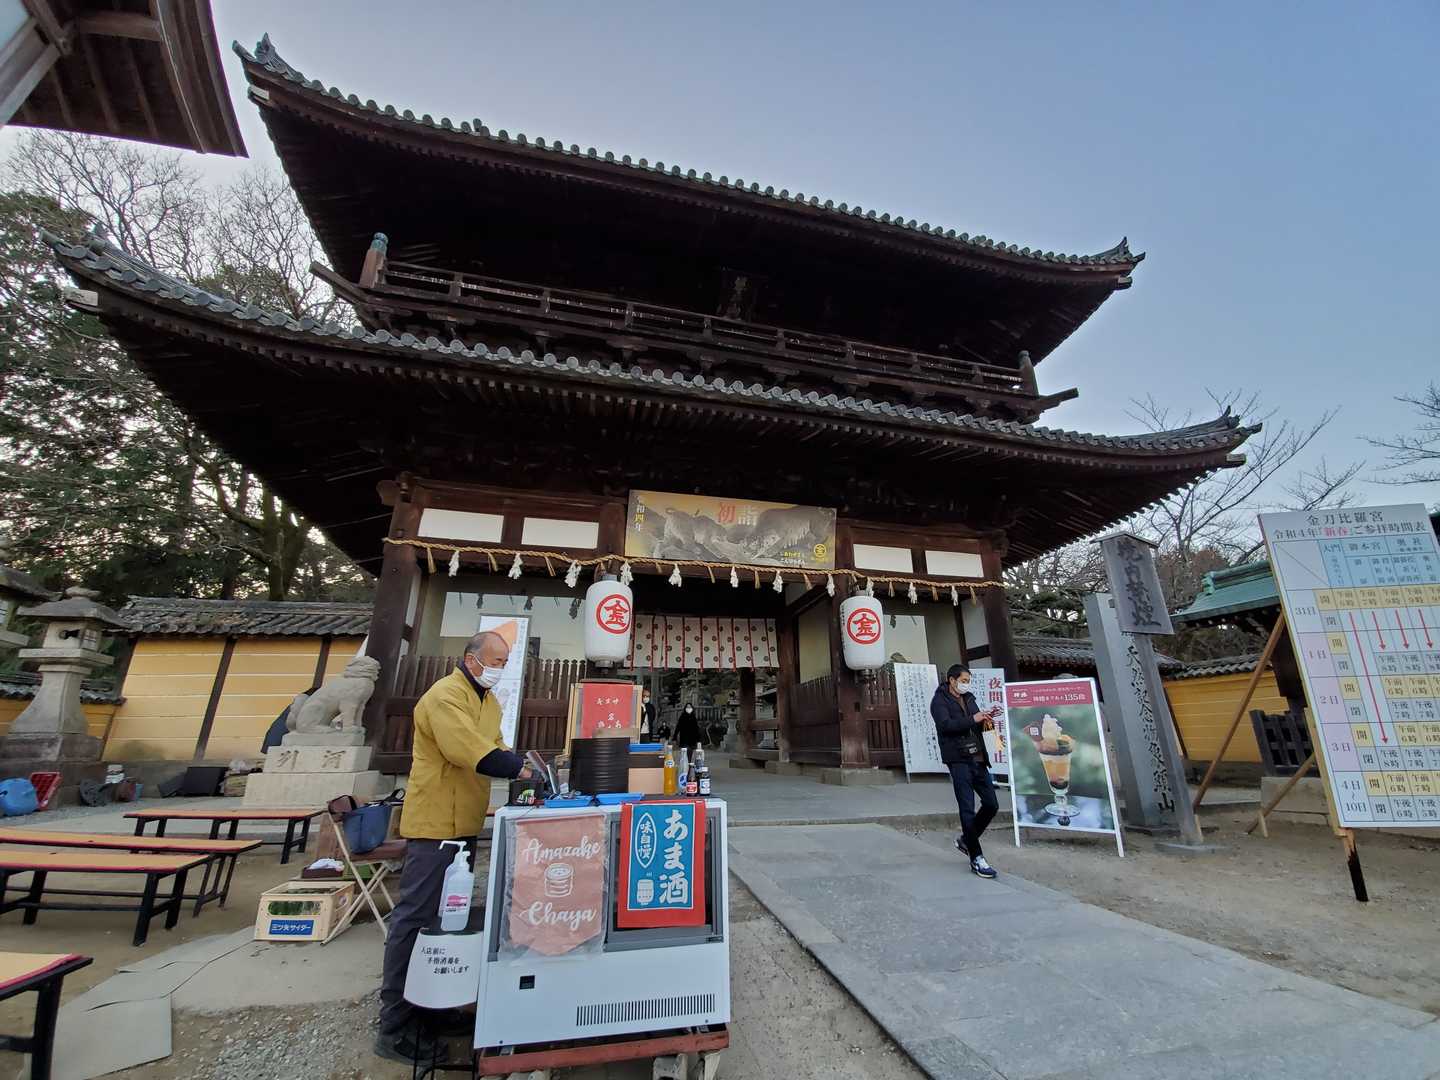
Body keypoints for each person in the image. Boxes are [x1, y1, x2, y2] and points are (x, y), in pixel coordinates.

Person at [375, 630, 531, 1064]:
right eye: (495, 661)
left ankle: (433, 1006)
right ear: (471, 658)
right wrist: (520, 769)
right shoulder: (444, 696)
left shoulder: (488, 701)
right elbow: (471, 750)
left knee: (446, 921)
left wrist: (521, 761)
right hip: (433, 822)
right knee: (416, 917)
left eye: (505, 662)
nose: (500, 669)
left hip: (464, 821)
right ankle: (395, 1024)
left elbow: (497, 745)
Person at [931, 663, 1000, 879]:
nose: (966, 684)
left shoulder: (969, 698)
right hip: (958, 759)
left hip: (978, 757)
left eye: (968, 681)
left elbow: (975, 722)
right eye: (963, 680)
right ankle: (976, 857)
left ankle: (966, 840)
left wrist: (986, 717)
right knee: (967, 807)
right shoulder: (939, 701)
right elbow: (945, 726)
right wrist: (973, 719)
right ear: (952, 680)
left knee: (991, 804)